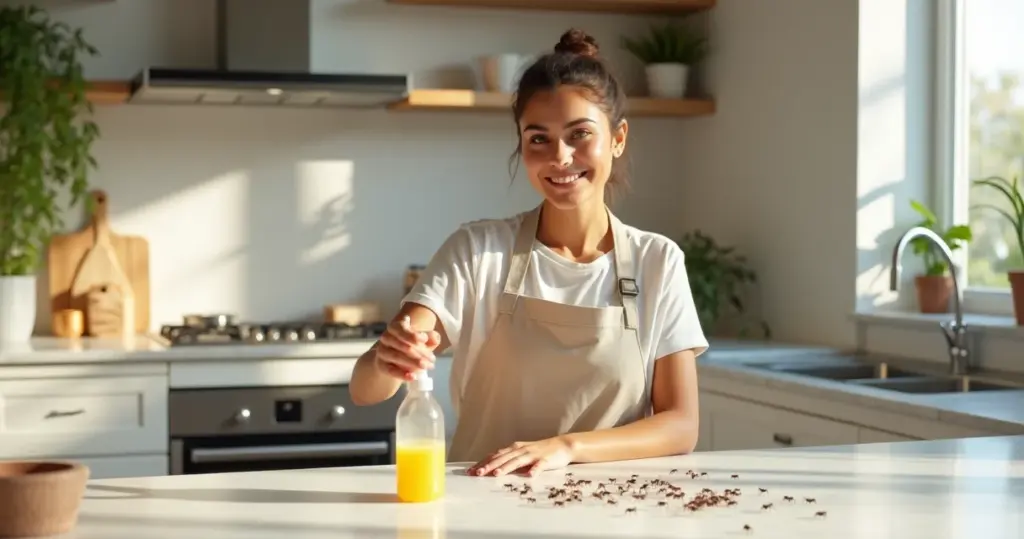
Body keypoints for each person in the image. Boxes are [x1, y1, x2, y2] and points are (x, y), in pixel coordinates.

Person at [349, 28, 708, 477]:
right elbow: (367, 389)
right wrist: (387, 359)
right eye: (538, 139)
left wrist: (566, 447)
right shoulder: (478, 252)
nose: (560, 157)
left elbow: (680, 425)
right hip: (484, 503)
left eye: (580, 135)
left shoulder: (658, 261)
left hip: (617, 511)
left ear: (618, 139)